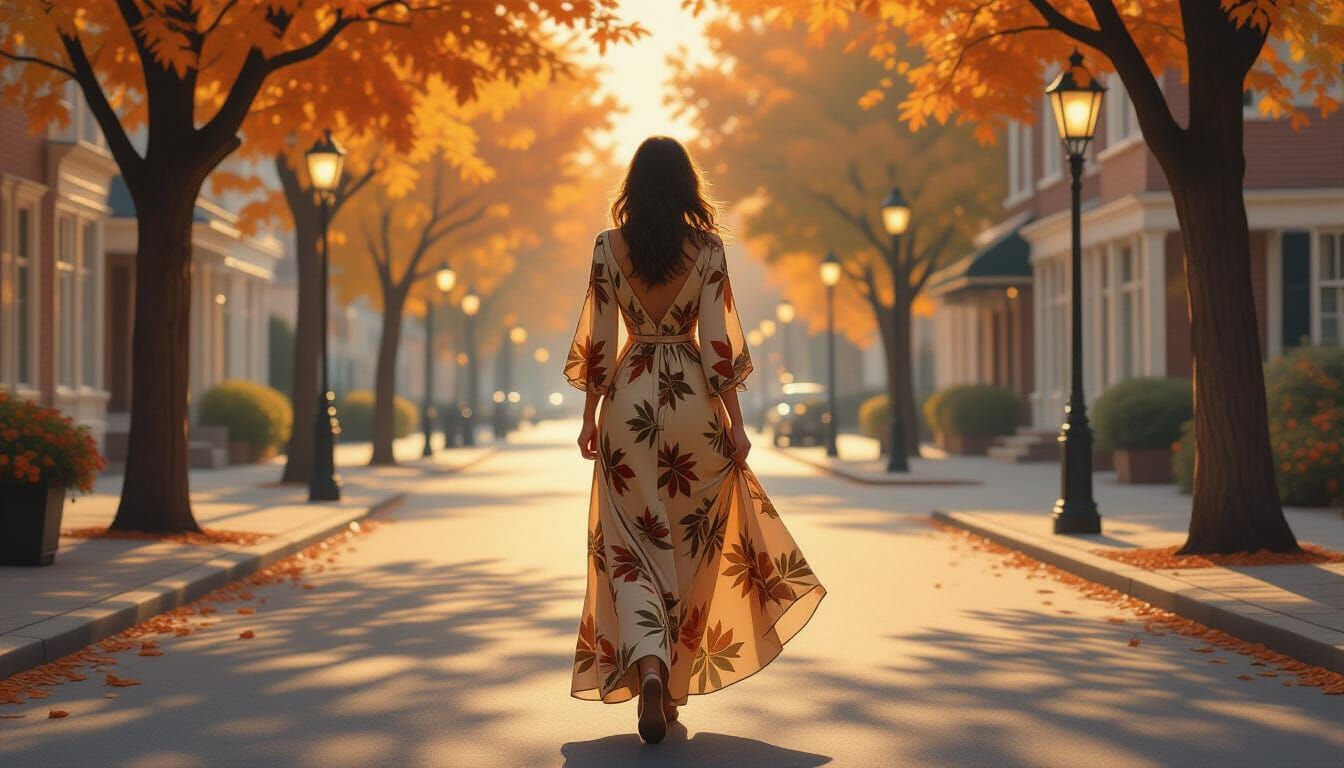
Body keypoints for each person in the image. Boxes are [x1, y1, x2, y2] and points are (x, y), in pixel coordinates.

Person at [564, 136, 826, 744]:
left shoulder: (608, 247)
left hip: (628, 400)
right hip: (692, 404)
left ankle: (649, 665)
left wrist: (588, 414)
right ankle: (672, 679)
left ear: (633, 184)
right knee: (690, 544)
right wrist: (735, 423)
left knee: (629, 548)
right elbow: (718, 345)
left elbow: (600, 339)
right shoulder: (705, 249)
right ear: (687, 185)